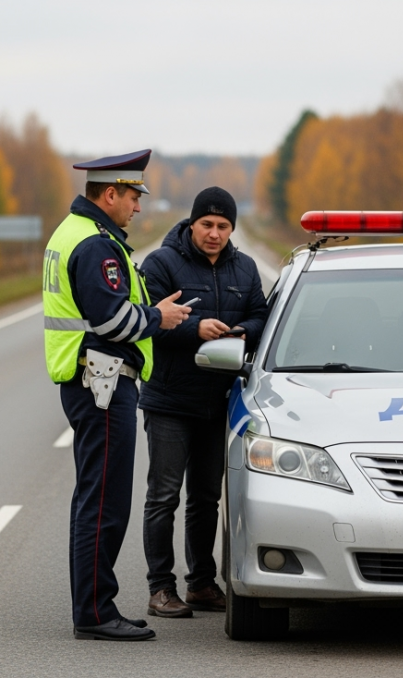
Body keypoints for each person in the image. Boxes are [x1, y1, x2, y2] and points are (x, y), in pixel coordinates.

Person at [42, 149, 191, 641]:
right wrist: (157, 318)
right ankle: (95, 612)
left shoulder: (77, 234)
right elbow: (110, 319)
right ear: (109, 194)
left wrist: (150, 307)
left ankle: (93, 605)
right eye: (132, 196)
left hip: (91, 380)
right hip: (101, 382)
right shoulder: (95, 244)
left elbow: (106, 306)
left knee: (96, 498)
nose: (138, 207)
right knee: (104, 502)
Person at [138, 186, 269, 618]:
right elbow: (149, 322)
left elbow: (260, 317)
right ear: (192, 224)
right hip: (170, 400)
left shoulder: (245, 268)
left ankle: (201, 583)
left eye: (223, 226)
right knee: (164, 496)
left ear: (233, 228)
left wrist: (237, 330)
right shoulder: (162, 263)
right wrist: (195, 329)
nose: (214, 234)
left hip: (221, 400)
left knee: (207, 498)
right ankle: (161, 588)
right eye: (207, 225)